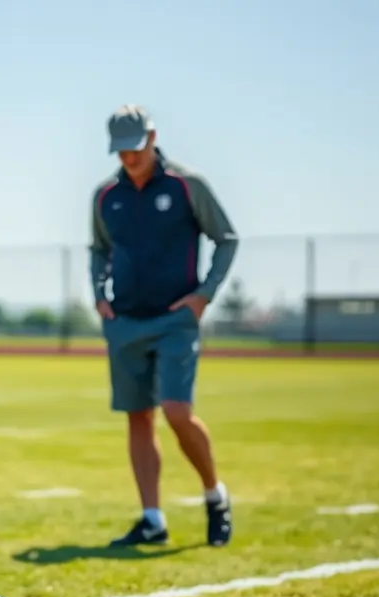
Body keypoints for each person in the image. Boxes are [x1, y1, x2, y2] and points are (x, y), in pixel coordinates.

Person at [90, 105, 239, 548]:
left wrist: (203, 295)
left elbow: (226, 239)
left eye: (135, 148)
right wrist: (99, 295)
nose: (129, 158)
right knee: (139, 416)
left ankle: (215, 494)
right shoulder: (105, 196)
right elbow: (98, 249)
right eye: (121, 151)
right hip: (125, 321)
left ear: (152, 137)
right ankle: (152, 519)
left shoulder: (186, 185)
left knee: (176, 410)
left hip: (176, 320)